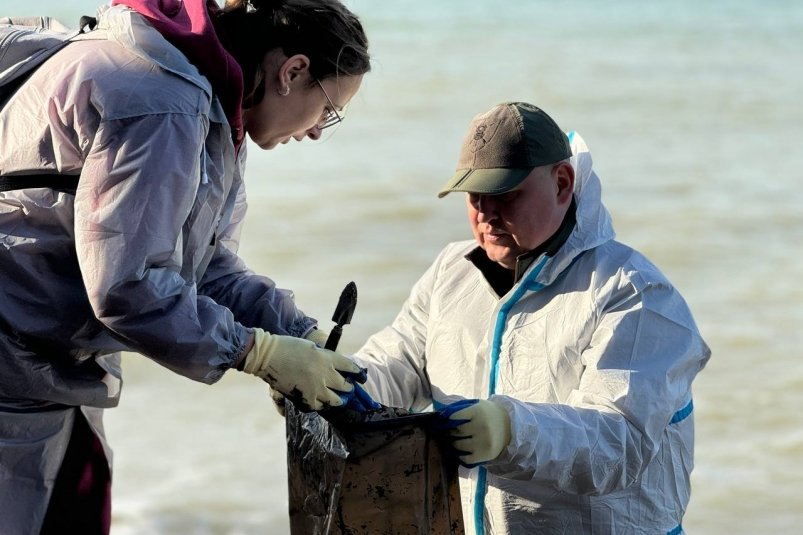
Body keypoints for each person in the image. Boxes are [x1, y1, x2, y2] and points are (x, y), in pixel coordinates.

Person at [0, 0, 370, 532]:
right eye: (329, 110)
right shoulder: (165, 102)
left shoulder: (203, 87)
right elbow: (127, 286)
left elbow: (200, 264)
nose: (317, 131)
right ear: (293, 71)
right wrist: (257, 353)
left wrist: (295, 332)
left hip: (45, 371)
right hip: (16, 379)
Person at [352, 102, 711, 534]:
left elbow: (619, 442)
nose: (485, 213)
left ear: (562, 182)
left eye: (504, 194)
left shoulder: (634, 292)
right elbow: (400, 362)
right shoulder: (451, 270)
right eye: (473, 196)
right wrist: (336, 383)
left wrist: (509, 431)